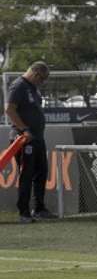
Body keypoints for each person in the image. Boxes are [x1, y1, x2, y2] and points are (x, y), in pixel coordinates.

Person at [5, 61, 56, 223]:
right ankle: (24, 212)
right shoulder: (19, 86)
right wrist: (24, 129)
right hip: (24, 139)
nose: (43, 82)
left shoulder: (32, 88)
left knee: (41, 173)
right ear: (35, 73)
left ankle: (39, 208)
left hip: (37, 138)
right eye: (42, 79)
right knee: (26, 175)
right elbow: (9, 109)